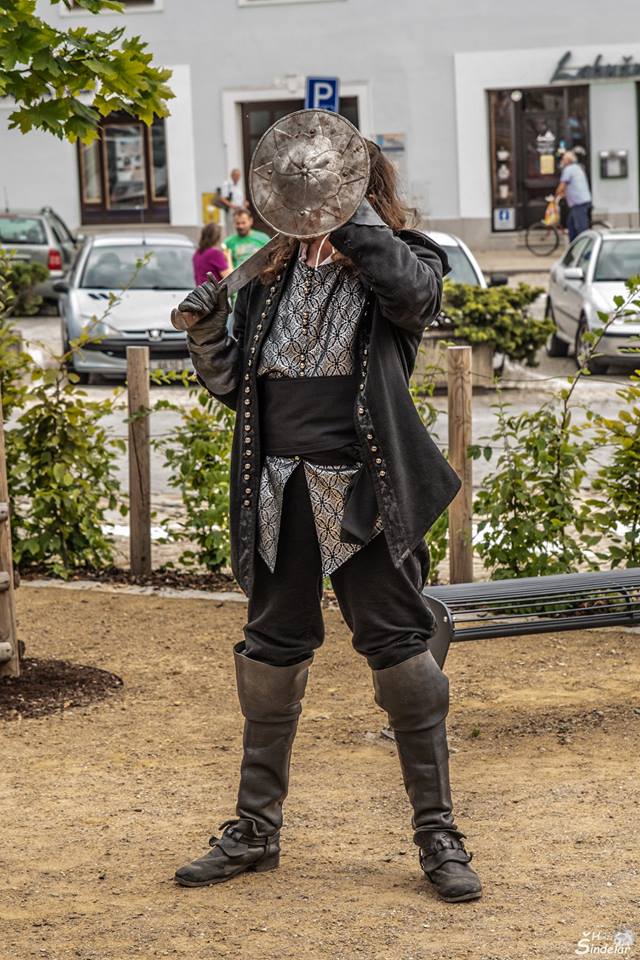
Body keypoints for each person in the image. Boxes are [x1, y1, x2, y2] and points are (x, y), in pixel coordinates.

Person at [172, 138, 483, 904]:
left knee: (404, 658)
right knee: (270, 655)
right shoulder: (266, 280)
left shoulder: (405, 260)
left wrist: (348, 220)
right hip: (278, 491)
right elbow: (237, 388)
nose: (307, 198)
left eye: (327, 185)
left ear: (358, 188)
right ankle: (255, 830)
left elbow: (415, 299)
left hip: (362, 494)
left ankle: (438, 835)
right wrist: (207, 331)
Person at [555, 150, 592, 242]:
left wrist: (556, 195)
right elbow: (572, 184)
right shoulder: (577, 168)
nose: (562, 161)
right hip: (582, 200)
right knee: (571, 224)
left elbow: (562, 185)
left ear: (568, 160)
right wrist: (564, 194)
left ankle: (586, 247)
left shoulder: (568, 170)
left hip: (578, 203)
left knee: (581, 228)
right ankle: (573, 246)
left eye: (563, 159)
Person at [220, 167, 247, 235]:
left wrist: (244, 203)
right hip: (231, 210)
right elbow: (222, 198)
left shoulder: (238, 186)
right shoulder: (227, 184)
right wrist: (232, 206)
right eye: (236, 175)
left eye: (239, 176)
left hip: (240, 210)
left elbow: (242, 198)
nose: (238, 177)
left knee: (239, 227)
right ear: (232, 175)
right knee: (231, 229)